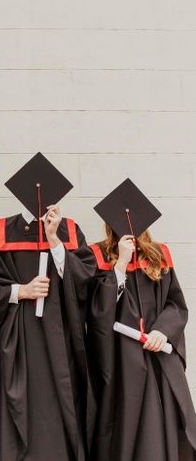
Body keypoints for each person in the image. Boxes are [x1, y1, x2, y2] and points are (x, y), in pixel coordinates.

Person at [0, 153, 96, 461]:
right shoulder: (2, 232)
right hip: (18, 341)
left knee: (60, 409)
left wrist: (55, 241)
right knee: (19, 415)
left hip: (59, 338)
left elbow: (86, 281)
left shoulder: (69, 230)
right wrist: (21, 291)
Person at [88, 178, 196, 461]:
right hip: (122, 358)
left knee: (166, 421)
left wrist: (163, 331)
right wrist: (120, 265)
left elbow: (176, 302)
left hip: (159, 354)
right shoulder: (97, 255)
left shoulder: (160, 254)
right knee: (126, 423)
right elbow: (96, 310)